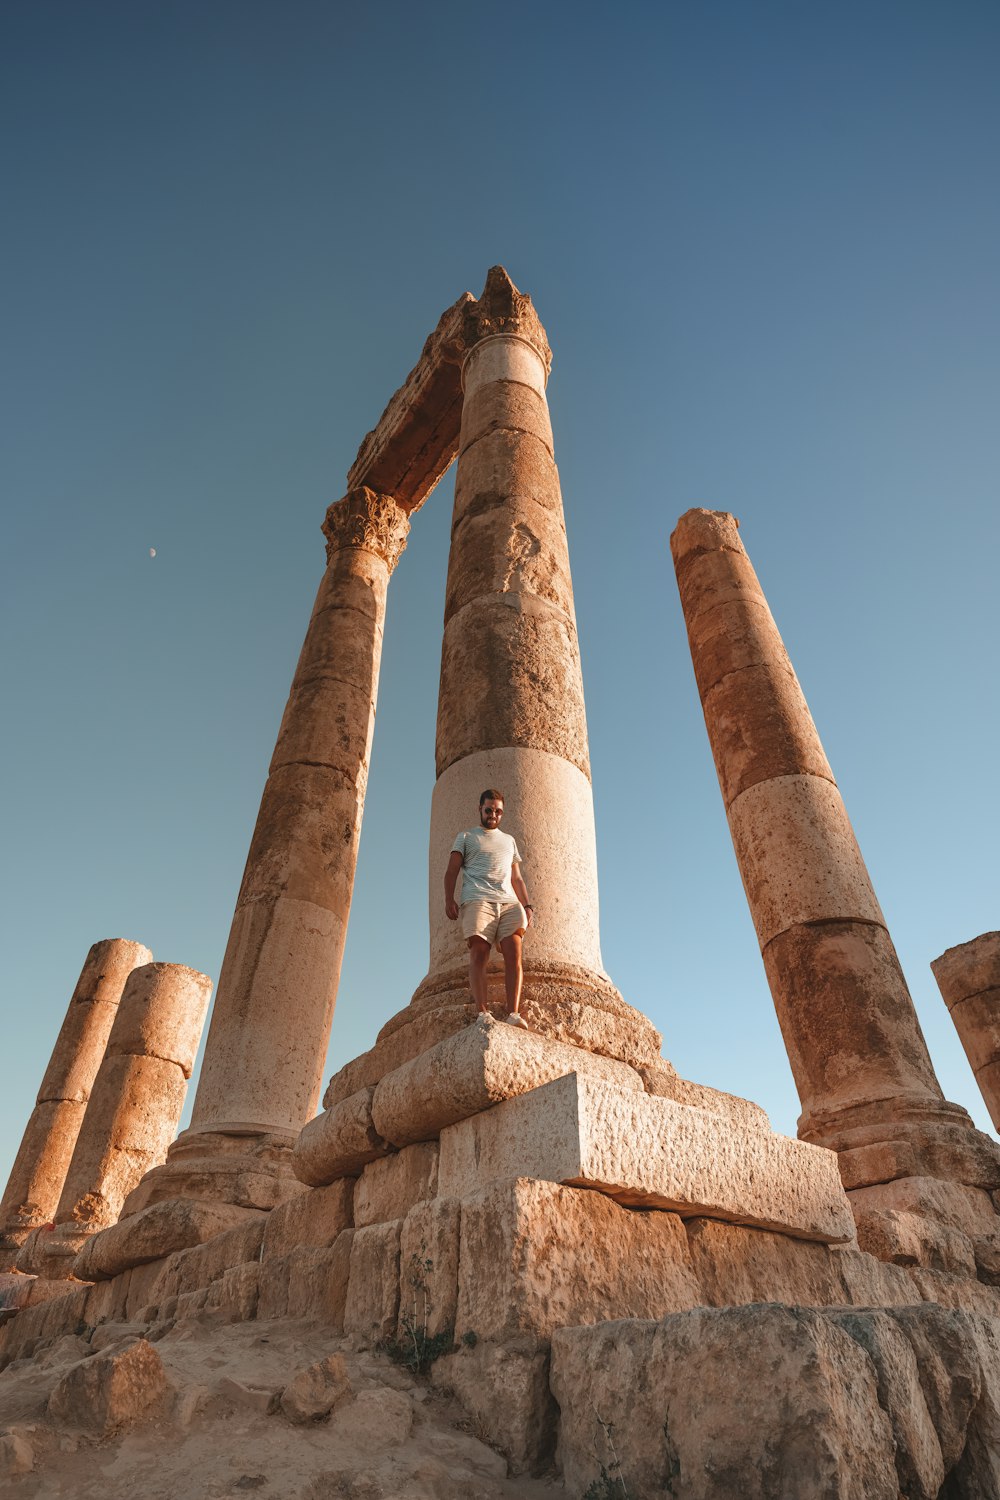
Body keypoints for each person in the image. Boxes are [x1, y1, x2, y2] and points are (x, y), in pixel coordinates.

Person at [444, 788, 534, 1027]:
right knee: (479, 952)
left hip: (509, 902)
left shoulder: (509, 840)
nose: (493, 814)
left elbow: (517, 878)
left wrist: (527, 905)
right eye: (489, 810)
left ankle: (513, 1013)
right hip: (477, 899)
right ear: (480, 809)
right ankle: (482, 1012)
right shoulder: (465, 837)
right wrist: (448, 899)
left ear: (502, 813)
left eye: (498, 811)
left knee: (514, 953)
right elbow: (451, 871)